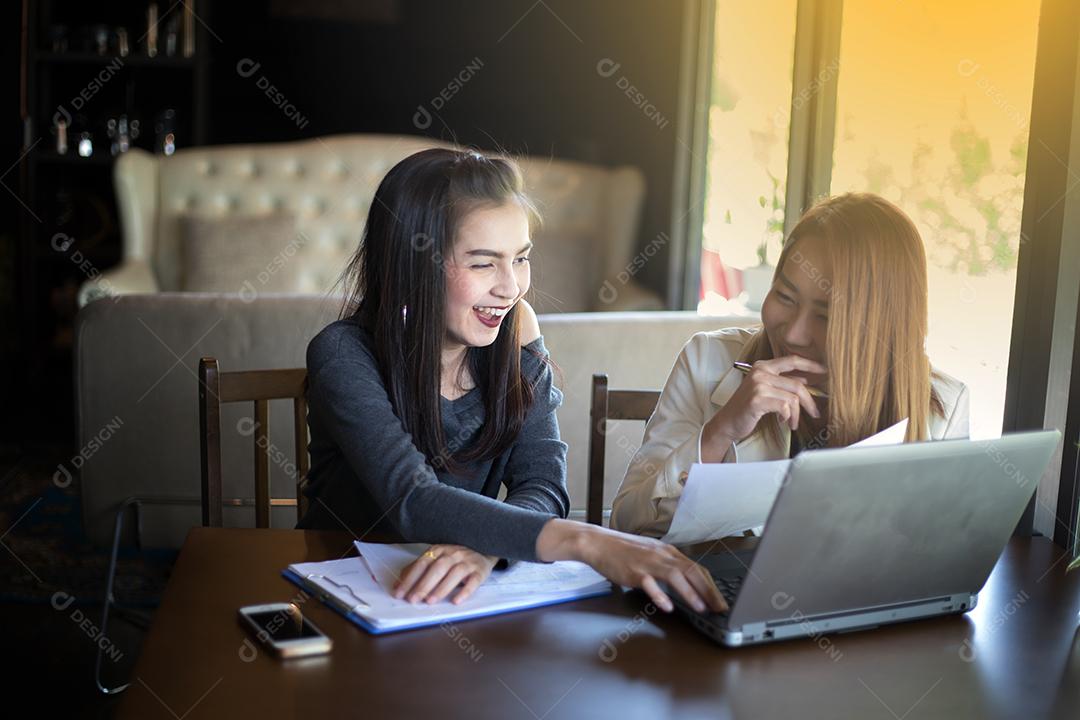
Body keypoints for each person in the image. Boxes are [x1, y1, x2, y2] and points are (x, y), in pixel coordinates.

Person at [297, 147, 725, 614]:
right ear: (414, 264)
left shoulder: (517, 331)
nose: (510, 287)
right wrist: (590, 541)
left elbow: (543, 483)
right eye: (483, 263)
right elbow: (412, 499)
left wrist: (487, 549)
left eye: (520, 258)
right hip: (341, 593)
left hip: (458, 603)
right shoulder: (343, 352)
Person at [610, 193, 971, 537]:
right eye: (784, 296)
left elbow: (938, 554)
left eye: (826, 316)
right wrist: (720, 432)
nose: (795, 334)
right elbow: (629, 524)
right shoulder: (706, 359)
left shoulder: (943, 408)